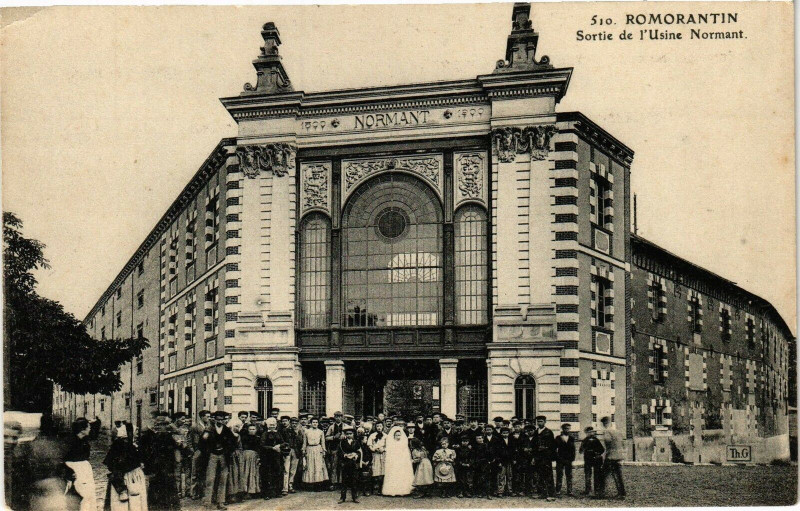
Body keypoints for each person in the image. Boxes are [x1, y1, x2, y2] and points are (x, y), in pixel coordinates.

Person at [103, 422, 148, 511]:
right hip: (129, 477)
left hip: (129, 476)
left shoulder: (126, 443)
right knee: (132, 501)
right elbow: (118, 463)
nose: (137, 432)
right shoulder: (124, 445)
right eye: (135, 430)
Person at [140, 416, 181, 511]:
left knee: (169, 488)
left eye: (166, 425)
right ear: (157, 425)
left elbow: (174, 449)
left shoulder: (167, 436)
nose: (166, 427)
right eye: (163, 425)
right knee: (156, 488)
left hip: (167, 467)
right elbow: (144, 452)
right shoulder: (149, 436)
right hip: (156, 467)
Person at [203, 411, 236, 510]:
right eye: (218, 419)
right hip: (212, 455)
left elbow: (232, 442)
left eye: (222, 419)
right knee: (210, 479)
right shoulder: (209, 429)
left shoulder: (226, 430)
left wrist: (227, 451)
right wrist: (208, 451)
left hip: (223, 456)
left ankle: (221, 502)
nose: (220, 421)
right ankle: (207, 502)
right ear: (214, 419)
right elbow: (203, 442)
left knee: (223, 479)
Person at [64, 418, 97, 511]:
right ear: (82, 430)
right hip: (76, 470)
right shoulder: (71, 442)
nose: (90, 429)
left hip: (84, 470)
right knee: (82, 496)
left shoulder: (84, 440)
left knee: (89, 496)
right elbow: (65, 459)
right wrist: (70, 473)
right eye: (88, 427)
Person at [597, 417, 625, 500]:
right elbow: (622, 443)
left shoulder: (607, 432)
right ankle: (622, 493)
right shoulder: (618, 431)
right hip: (618, 456)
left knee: (603, 475)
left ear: (605, 423)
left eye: (604, 424)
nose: (603, 425)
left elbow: (608, 442)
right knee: (618, 475)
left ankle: (601, 493)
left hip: (610, 457)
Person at [382, 426, 414, 496]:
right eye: (396, 435)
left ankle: (403, 490)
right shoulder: (391, 443)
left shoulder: (403, 443)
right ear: (394, 436)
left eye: (399, 435)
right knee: (393, 474)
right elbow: (390, 453)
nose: (398, 436)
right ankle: (392, 490)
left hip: (401, 461)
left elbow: (405, 453)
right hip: (394, 461)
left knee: (401, 474)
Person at [189, 410, 212, 499]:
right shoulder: (195, 426)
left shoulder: (210, 426)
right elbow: (189, 439)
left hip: (207, 451)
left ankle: (204, 493)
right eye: (207, 416)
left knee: (206, 472)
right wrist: (192, 451)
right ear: (201, 417)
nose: (208, 418)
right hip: (198, 450)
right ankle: (194, 493)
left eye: (209, 416)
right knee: (195, 473)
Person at [260, 417, 284, 500]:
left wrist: (279, 445)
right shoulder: (265, 434)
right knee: (267, 474)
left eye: (274, 425)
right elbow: (262, 445)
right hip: (267, 456)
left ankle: (277, 492)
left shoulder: (278, 433)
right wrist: (272, 448)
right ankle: (266, 493)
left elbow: (283, 442)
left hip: (277, 456)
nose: (272, 426)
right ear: (267, 425)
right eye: (270, 425)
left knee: (277, 473)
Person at [302, 417, 329, 490]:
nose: (315, 424)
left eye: (316, 422)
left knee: (318, 466)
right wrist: (303, 450)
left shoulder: (320, 432)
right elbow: (304, 443)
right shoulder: (306, 431)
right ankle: (310, 485)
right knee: (310, 466)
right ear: (310, 423)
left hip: (318, 449)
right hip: (309, 449)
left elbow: (323, 442)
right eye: (313, 422)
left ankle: (318, 485)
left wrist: (324, 451)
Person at [534, 415, 556, 502]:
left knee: (548, 475)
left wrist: (546, 449)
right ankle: (542, 493)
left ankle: (551, 494)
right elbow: (534, 445)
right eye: (538, 421)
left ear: (545, 422)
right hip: (538, 457)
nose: (539, 423)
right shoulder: (536, 432)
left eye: (541, 421)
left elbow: (553, 446)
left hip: (546, 457)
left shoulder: (548, 432)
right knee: (540, 475)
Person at [337, 426, 362, 503]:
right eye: (347, 434)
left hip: (353, 464)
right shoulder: (342, 443)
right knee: (344, 481)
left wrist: (356, 455)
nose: (349, 435)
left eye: (350, 433)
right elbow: (339, 453)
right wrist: (344, 455)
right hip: (345, 463)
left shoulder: (356, 442)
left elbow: (359, 452)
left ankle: (354, 497)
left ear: (353, 434)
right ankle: (342, 497)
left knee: (354, 481)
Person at [579, 427, 604, 497]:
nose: (590, 433)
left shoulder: (596, 440)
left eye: (591, 432)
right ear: (586, 433)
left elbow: (602, 449)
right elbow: (580, 451)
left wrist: (597, 453)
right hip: (588, 459)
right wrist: (583, 450)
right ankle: (588, 490)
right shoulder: (584, 441)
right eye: (589, 432)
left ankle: (597, 490)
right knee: (587, 475)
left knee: (597, 475)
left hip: (596, 460)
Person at [279, 416, 301, 495]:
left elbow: (300, 442)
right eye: (293, 423)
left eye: (296, 423)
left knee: (293, 470)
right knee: (286, 469)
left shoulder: (300, 432)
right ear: (290, 423)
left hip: (296, 451)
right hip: (287, 451)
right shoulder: (285, 431)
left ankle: (290, 485)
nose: (294, 425)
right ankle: (285, 488)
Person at [239, 424, 261, 499]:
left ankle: (253, 491)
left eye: (253, 429)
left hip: (254, 456)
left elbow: (259, 448)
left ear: (256, 430)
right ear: (248, 430)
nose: (252, 431)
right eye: (250, 429)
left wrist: (259, 457)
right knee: (245, 472)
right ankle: (244, 491)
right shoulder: (244, 438)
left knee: (253, 473)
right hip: (245, 456)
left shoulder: (258, 438)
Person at [554, 423, 576, 496]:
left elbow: (573, 449)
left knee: (569, 475)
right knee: (559, 475)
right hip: (560, 459)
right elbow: (554, 449)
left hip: (568, 460)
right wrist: (557, 458)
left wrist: (572, 458)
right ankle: (558, 491)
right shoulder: (558, 438)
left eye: (569, 429)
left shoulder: (571, 438)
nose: (567, 430)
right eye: (566, 428)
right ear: (562, 429)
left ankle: (569, 491)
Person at [325, 412, 345, 488]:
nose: (338, 418)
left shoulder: (346, 426)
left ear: (342, 417)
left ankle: (342, 482)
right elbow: (326, 437)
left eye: (339, 417)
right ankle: (333, 482)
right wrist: (334, 437)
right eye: (336, 417)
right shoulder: (331, 427)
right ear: (334, 417)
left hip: (343, 449)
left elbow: (351, 435)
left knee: (342, 465)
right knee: (334, 465)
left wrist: (344, 436)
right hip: (334, 448)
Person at [367, 422, 387, 495]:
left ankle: (380, 489)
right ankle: (371, 489)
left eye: (380, 426)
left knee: (382, 471)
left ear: (382, 427)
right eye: (377, 426)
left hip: (383, 455)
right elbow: (369, 445)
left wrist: (384, 449)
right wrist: (373, 449)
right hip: (375, 455)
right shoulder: (372, 435)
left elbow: (388, 445)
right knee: (374, 470)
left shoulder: (386, 436)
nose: (379, 427)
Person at [495, 426, 514, 497]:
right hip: (502, 461)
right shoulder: (498, 441)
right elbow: (496, 452)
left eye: (506, 433)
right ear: (501, 433)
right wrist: (499, 461)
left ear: (509, 433)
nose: (505, 434)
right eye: (503, 433)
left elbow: (513, 451)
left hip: (509, 461)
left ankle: (509, 490)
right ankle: (500, 491)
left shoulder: (511, 440)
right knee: (501, 476)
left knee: (510, 476)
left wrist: (513, 459)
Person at [471, 434, 492, 500]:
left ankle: (488, 494)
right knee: (479, 479)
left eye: (480, 438)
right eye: (477, 438)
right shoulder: (475, 447)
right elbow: (474, 456)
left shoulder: (486, 445)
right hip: (478, 464)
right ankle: (480, 493)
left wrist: (488, 462)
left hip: (485, 464)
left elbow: (489, 455)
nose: (479, 440)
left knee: (487, 479)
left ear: (483, 439)